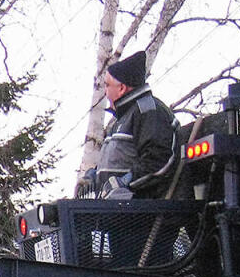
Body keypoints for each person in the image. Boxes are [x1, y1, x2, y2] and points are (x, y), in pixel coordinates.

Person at [76, 50, 180, 198]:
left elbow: (159, 158)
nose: (105, 92)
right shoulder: (122, 119)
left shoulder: (148, 111)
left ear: (121, 88)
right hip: (118, 210)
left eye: (107, 85)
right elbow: (117, 164)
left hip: (140, 212)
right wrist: (92, 177)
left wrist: (125, 182)